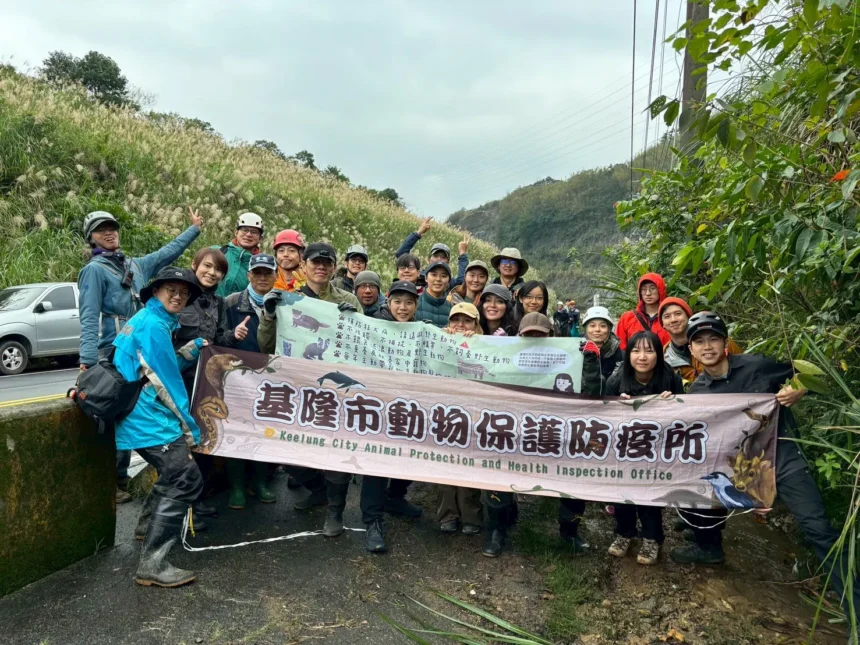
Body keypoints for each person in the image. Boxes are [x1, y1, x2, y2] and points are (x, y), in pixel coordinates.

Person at [671, 312, 860, 622]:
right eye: (699, 342)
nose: (707, 347)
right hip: (743, 469)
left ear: (725, 343)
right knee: (696, 486)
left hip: (782, 456)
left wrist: (800, 388)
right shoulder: (698, 394)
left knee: (818, 529)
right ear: (690, 350)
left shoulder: (757, 365)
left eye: (713, 339)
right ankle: (708, 545)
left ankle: (854, 609)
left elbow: (810, 373)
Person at [77, 207, 203, 504]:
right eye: (100, 229)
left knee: (127, 408)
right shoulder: (94, 270)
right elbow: (89, 315)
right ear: (91, 238)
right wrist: (87, 359)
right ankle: (113, 481)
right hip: (113, 350)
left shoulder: (134, 266)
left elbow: (167, 253)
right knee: (112, 412)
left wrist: (194, 229)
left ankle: (122, 479)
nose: (109, 233)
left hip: (142, 345)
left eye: (112, 227)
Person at [111, 266, 206, 587]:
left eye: (184, 292)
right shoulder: (154, 325)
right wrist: (191, 429)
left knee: (172, 475)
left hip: (135, 413)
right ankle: (153, 563)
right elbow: (166, 383)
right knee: (186, 478)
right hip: (148, 419)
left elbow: (148, 367)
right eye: (171, 289)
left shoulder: (149, 320)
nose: (178, 295)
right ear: (155, 291)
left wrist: (186, 353)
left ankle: (145, 529)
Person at [258, 242, 361, 537]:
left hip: (337, 388)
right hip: (299, 389)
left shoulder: (349, 300)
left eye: (327, 263)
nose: (321, 267)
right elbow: (266, 346)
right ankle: (318, 491)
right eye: (316, 262)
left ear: (333, 267)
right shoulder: (290, 300)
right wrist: (268, 315)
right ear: (304, 264)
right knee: (289, 452)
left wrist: (353, 319)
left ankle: (335, 512)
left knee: (336, 451)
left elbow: (360, 345)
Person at [483, 314, 601, 557]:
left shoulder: (569, 361)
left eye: (541, 335)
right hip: (516, 433)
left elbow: (591, 398)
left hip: (556, 434)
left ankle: (570, 531)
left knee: (573, 476)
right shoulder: (506, 362)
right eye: (529, 336)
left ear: (552, 337)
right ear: (519, 337)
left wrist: (589, 363)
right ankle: (497, 529)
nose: (535, 340)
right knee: (498, 471)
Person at [605, 331, 684, 566]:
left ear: (658, 355)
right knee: (623, 492)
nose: (642, 357)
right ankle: (624, 533)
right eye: (636, 351)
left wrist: (673, 404)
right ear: (628, 354)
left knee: (649, 493)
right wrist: (616, 405)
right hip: (624, 448)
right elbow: (601, 416)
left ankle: (652, 538)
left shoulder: (669, 377)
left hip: (656, 450)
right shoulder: (616, 380)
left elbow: (686, 415)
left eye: (649, 351)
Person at [362, 280, 425, 553]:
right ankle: (372, 521)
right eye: (397, 301)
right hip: (376, 406)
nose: (403, 307)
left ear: (415, 306)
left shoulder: (421, 331)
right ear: (387, 301)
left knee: (408, 455)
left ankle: (395, 497)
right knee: (375, 464)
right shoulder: (370, 325)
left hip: (407, 406)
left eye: (409, 302)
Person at [223, 254, 278, 509]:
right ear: (248, 276)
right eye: (258, 273)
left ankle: (260, 482)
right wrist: (232, 336)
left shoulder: (284, 303)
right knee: (236, 432)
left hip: (272, 381)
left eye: (268, 273)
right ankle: (236, 487)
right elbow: (218, 337)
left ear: (276, 276)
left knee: (265, 432)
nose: (263, 278)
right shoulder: (231, 303)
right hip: (237, 379)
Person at [438, 303, 484, 536]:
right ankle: (448, 515)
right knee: (446, 467)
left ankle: (471, 516)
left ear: (476, 324)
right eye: (455, 319)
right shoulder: (441, 339)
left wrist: (477, 341)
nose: (460, 325)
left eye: (466, 320)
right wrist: (442, 339)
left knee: (469, 467)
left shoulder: (487, 345)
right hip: (446, 412)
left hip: (475, 414)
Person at [658, 298, 741, 386]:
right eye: (667, 316)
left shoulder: (720, 342)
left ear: (688, 316)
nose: (673, 320)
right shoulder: (664, 355)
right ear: (662, 324)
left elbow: (743, 369)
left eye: (678, 314)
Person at [395, 217, 468, 288]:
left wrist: (462, 253)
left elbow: (461, 283)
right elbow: (401, 255)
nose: (439, 259)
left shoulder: (448, 281)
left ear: (448, 261)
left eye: (443, 257)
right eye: (435, 256)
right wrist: (418, 233)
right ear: (429, 259)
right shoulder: (418, 275)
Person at [213, 212, 265, 297]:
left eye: (254, 232)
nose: (248, 235)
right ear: (236, 232)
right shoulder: (216, 252)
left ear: (260, 238)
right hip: (208, 308)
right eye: (244, 230)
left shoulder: (261, 265)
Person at [614, 273, 670, 350]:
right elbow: (621, 348)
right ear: (640, 292)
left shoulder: (670, 317)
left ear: (660, 290)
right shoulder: (627, 318)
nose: (648, 293)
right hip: (635, 361)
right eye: (643, 289)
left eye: (652, 288)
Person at [582, 306, 623, 379]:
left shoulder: (621, 355)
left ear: (609, 329)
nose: (597, 329)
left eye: (603, 326)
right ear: (586, 329)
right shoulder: (577, 354)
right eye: (592, 326)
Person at [415, 261, 453, 327]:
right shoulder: (414, 303)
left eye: (443, 276)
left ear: (448, 282)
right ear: (426, 278)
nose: (438, 279)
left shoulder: (452, 309)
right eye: (434, 275)